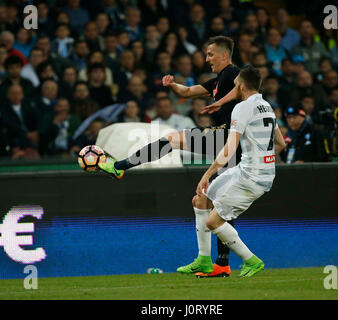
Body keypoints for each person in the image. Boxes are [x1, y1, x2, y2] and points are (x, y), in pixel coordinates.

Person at [99, 36, 241, 277]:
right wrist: (173, 85)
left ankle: (121, 165)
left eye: (210, 54)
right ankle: (219, 264)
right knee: (209, 203)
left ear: (224, 56)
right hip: (227, 142)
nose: (206, 59)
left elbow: (244, 88)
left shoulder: (232, 73)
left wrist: (221, 103)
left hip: (228, 137)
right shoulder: (218, 80)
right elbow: (188, 91)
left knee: (172, 140)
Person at [178, 66, 286, 277]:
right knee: (200, 199)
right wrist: (262, 159)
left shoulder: (242, 107)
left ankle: (252, 261)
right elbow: (280, 143)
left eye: (235, 85)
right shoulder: (267, 106)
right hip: (249, 169)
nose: (234, 88)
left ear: (242, 86)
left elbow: (228, 149)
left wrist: (206, 174)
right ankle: (203, 261)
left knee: (213, 222)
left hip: (252, 177)